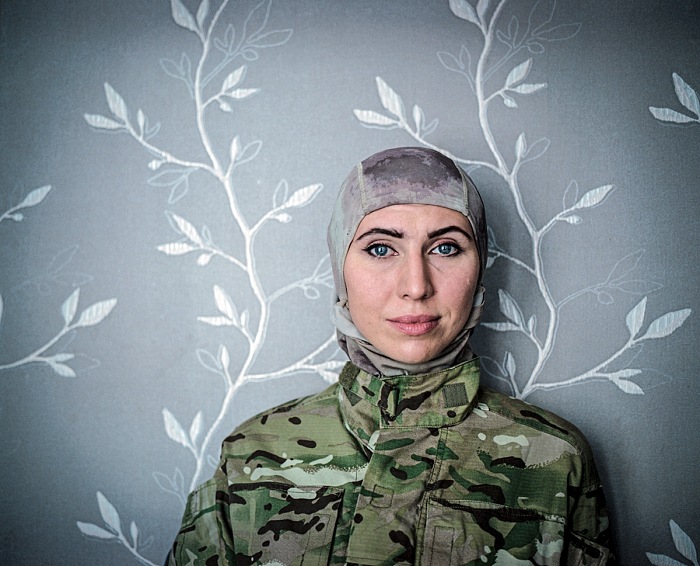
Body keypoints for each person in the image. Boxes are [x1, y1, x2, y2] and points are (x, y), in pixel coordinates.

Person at [167, 147, 614, 565]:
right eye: (380, 249)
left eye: (446, 247)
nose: (416, 285)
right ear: (340, 267)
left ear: (479, 267)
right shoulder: (251, 455)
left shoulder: (554, 459)